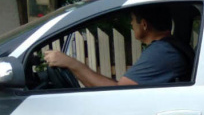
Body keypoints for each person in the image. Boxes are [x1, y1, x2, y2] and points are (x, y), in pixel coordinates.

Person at [44, 5, 192, 87]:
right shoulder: (166, 48)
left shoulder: (161, 52)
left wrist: (72, 63)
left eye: (133, 20)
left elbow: (119, 92)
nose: (131, 24)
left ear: (144, 24)